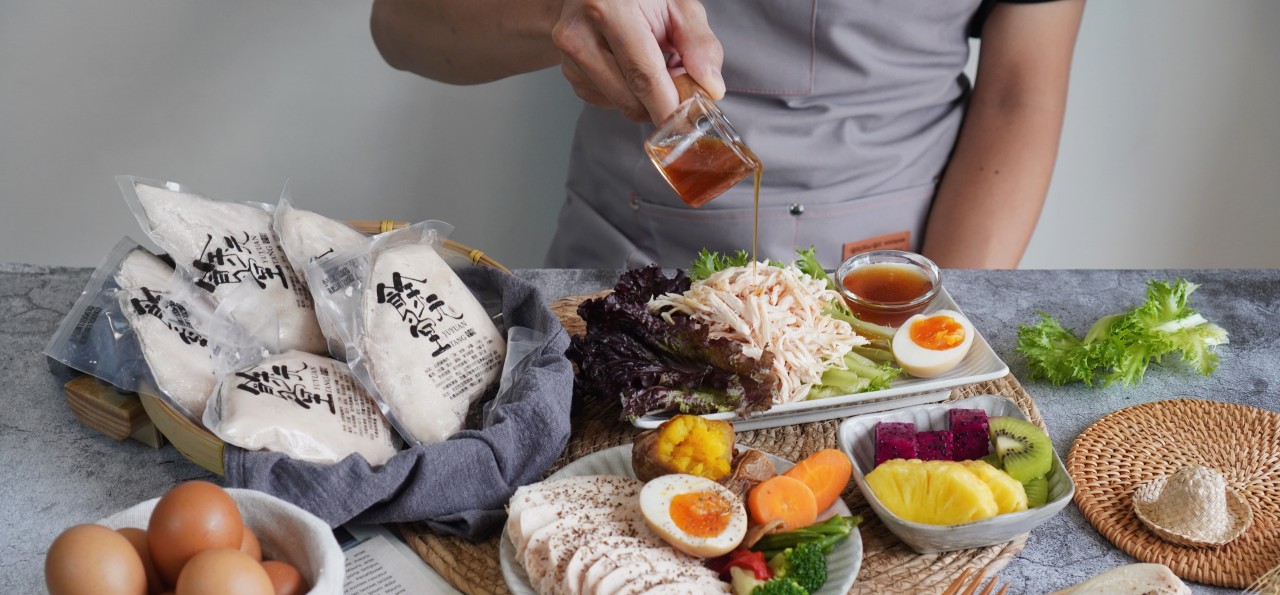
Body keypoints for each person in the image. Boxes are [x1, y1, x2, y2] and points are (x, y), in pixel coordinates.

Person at [370, 0, 1085, 270]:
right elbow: (401, 24)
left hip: (888, 279)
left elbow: (1019, 96)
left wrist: (937, 324)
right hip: (622, 271)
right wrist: (560, 12)